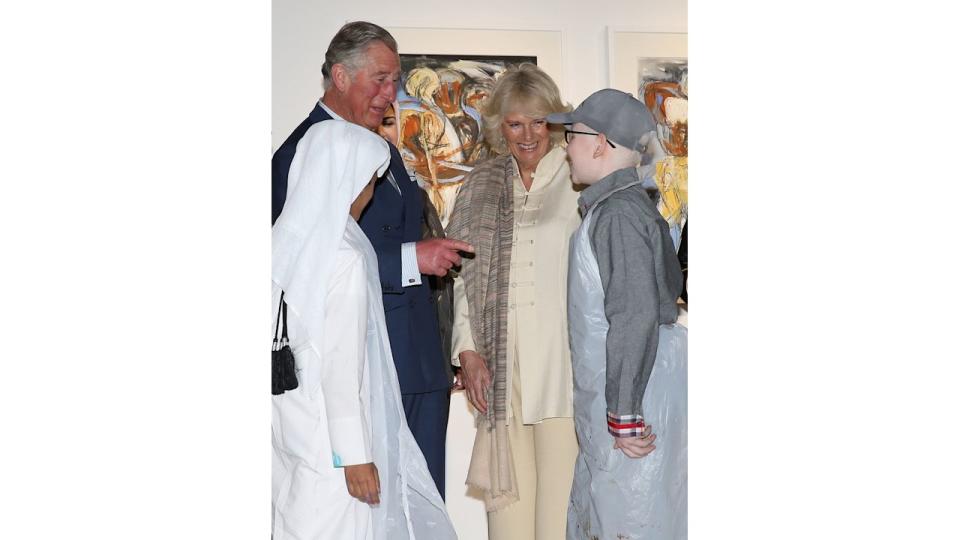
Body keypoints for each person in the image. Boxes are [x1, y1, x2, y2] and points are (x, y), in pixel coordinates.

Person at [271, 21, 473, 499]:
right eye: (379, 79)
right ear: (340, 77)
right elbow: (303, 268)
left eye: (395, 80)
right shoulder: (300, 152)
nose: (390, 93)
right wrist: (410, 258)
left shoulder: (380, 145)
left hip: (419, 360)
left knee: (423, 507)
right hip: (363, 369)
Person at [271, 120, 456, 539]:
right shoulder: (345, 254)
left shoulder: (282, 241)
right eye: (370, 181)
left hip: (289, 432)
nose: (370, 193)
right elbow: (341, 363)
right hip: (332, 445)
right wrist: (354, 456)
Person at [445, 63, 581, 540]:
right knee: (507, 525)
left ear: (557, 123)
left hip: (566, 374)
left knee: (560, 524)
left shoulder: (578, 179)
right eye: (515, 123)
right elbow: (461, 275)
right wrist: (467, 352)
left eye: (539, 121)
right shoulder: (479, 184)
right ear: (500, 127)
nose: (528, 135)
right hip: (501, 378)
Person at [547, 89, 687, 539]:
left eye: (571, 135)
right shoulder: (619, 209)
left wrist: (625, 414)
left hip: (634, 405)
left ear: (600, 143)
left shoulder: (618, 216)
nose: (565, 146)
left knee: (632, 521)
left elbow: (633, 314)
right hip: (630, 398)